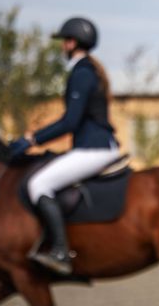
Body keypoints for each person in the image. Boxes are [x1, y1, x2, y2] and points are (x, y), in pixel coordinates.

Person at [9, 17, 119, 275]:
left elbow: (70, 121)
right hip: (95, 146)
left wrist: (32, 140)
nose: (61, 47)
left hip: (94, 149)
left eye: (63, 42)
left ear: (72, 42)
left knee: (38, 184)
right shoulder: (88, 70)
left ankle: (60, 251)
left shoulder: (82, 73)